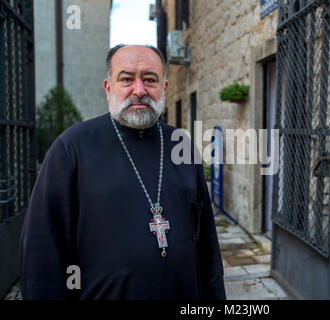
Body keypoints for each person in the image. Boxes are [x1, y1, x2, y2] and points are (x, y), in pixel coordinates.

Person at [19, 44, 226, 300]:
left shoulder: (180, 145)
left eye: (149, 79)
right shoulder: (71, 148)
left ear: (164, 87)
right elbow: (42, 252)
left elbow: (206, 242)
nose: (139, 90)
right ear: (108, 88)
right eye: (127, 79)